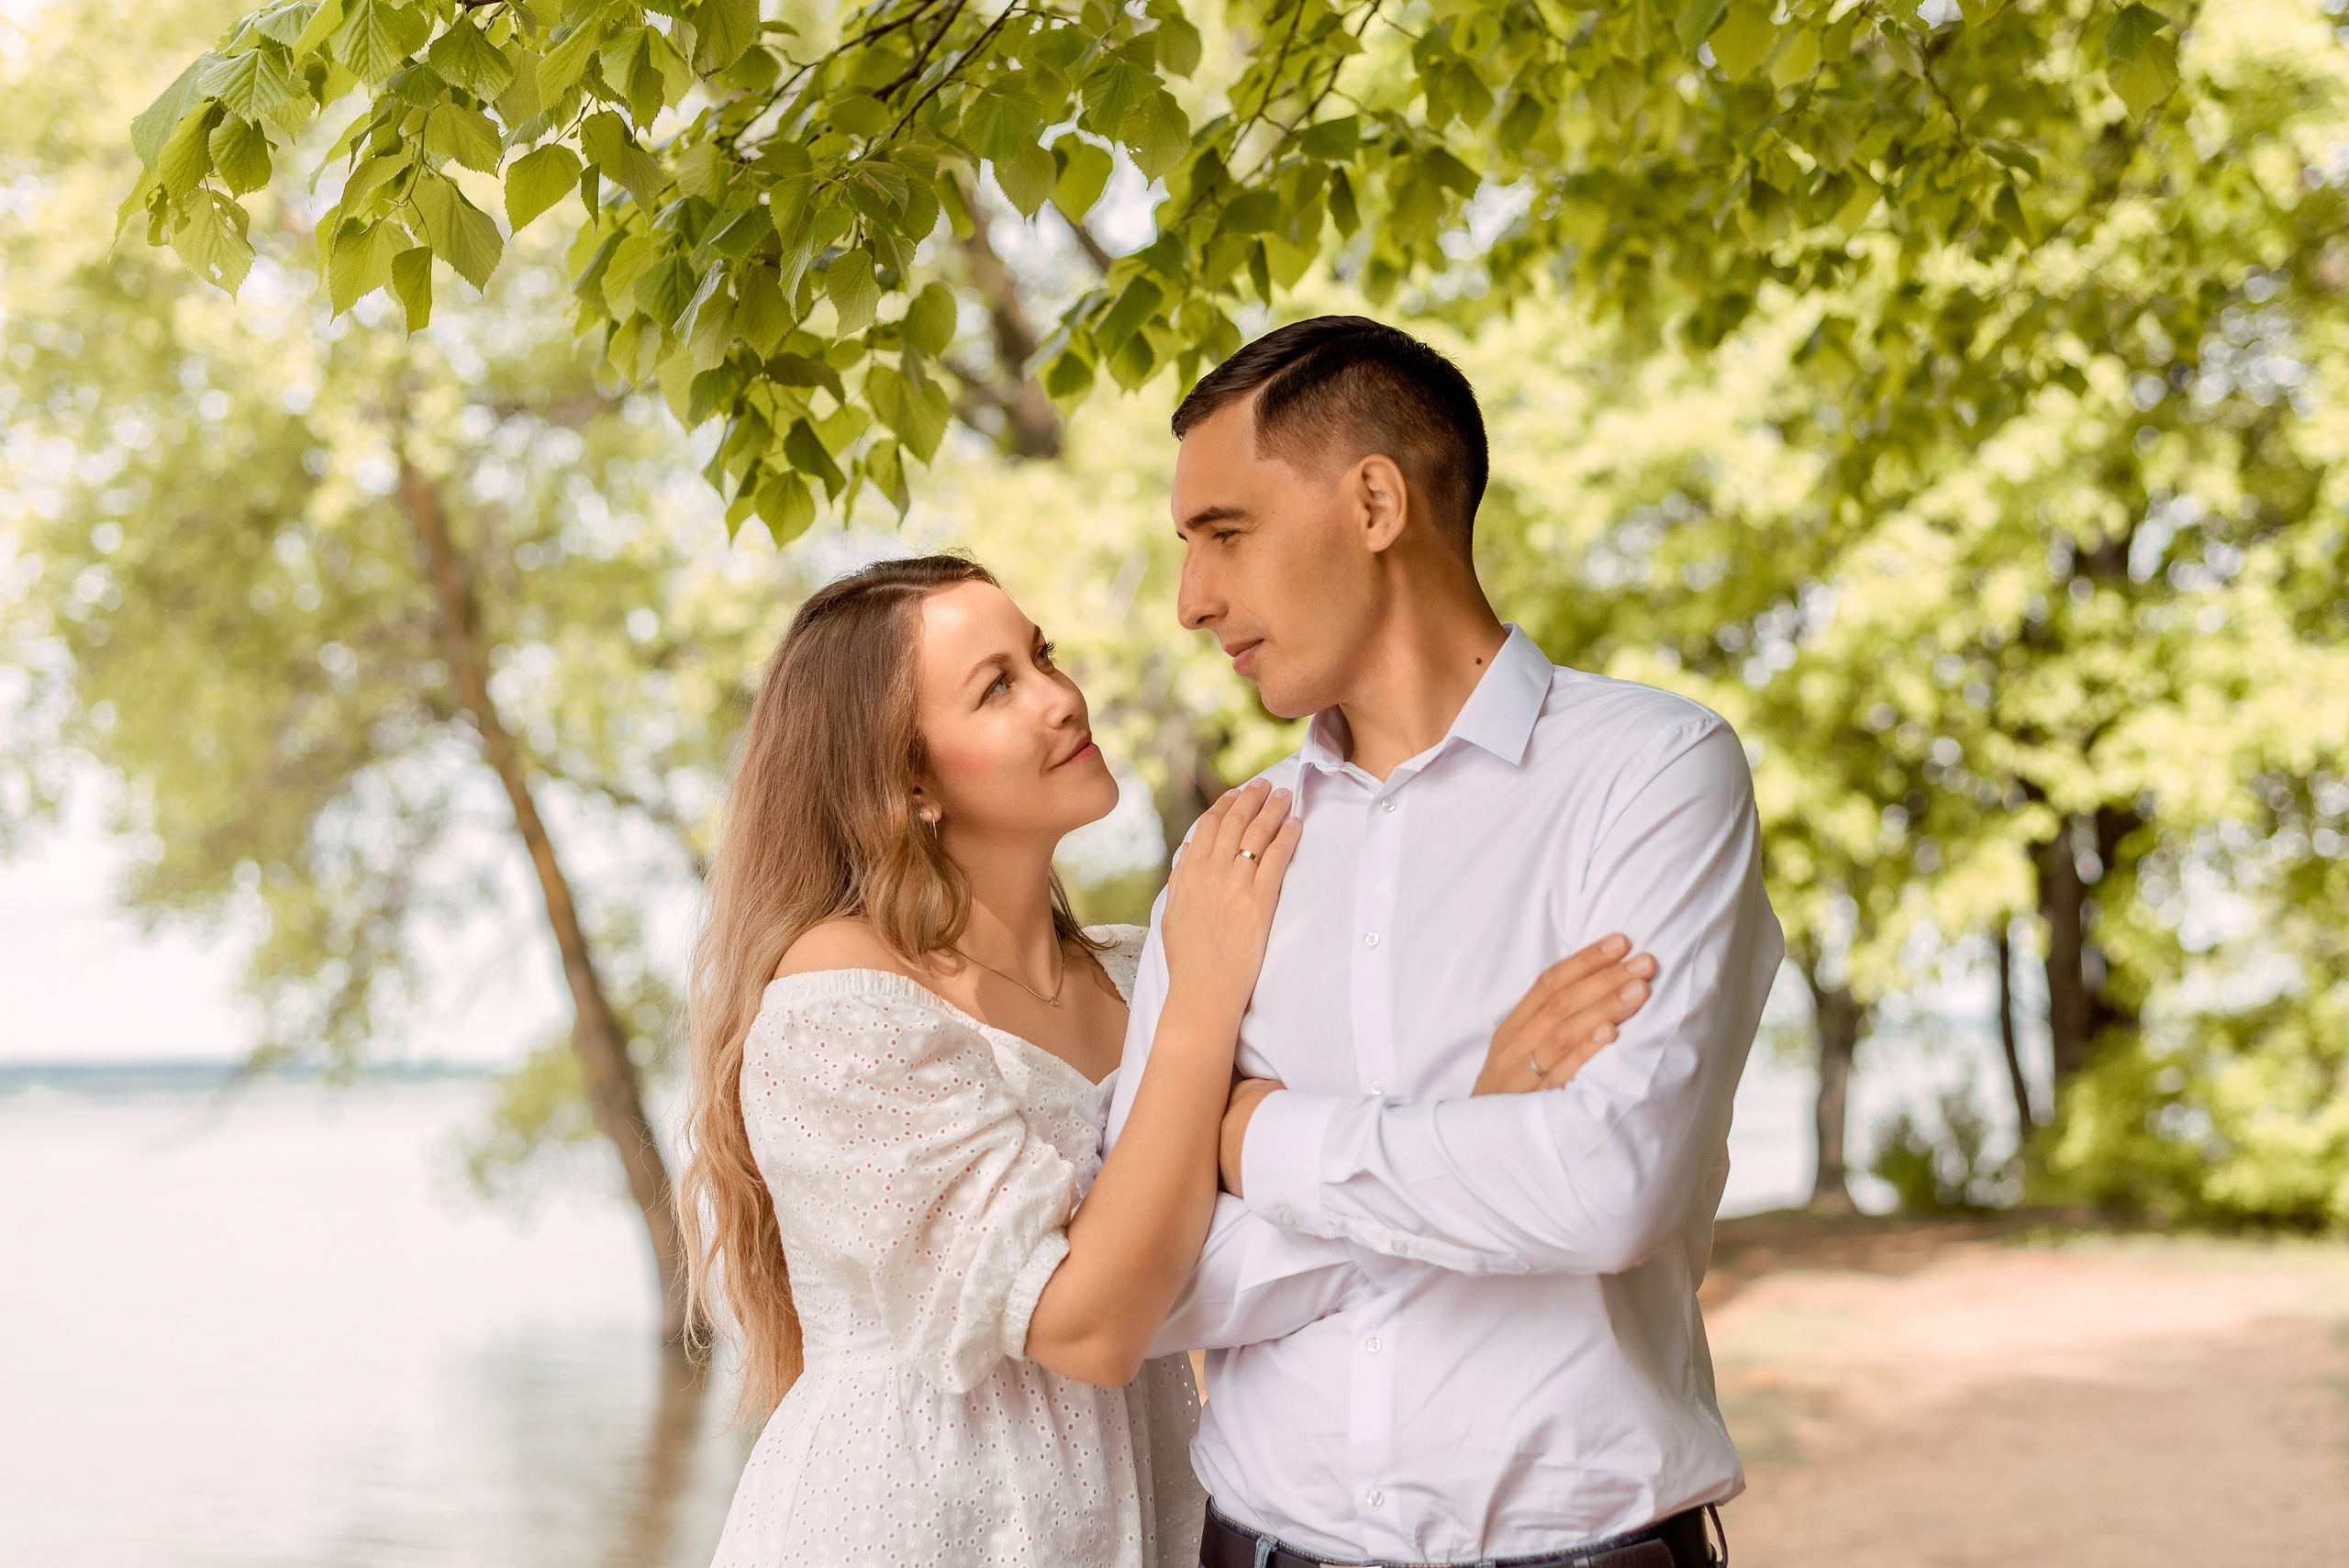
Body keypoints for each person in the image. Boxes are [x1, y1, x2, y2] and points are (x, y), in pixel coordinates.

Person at [674, 555, 1651, 1568]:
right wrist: (1205, 1002)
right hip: (913, 1520)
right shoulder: (844, 997)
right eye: (998, 685)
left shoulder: (1139, 968)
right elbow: (1087, 1325)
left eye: (1041, 654)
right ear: (905, 779)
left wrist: (1469, 1104)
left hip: (1154, 1509)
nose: (1060, 697)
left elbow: (1312, 1191)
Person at [1106, 317, 1785, 1568]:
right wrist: (1471, 1109)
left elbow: (1604, 1189)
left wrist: (1249, 1131)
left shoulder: (1652, 776)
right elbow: (1144, 1282)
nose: (1193, 601)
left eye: (1225, 534)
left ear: (1374, 501)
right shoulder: (1229, 856)